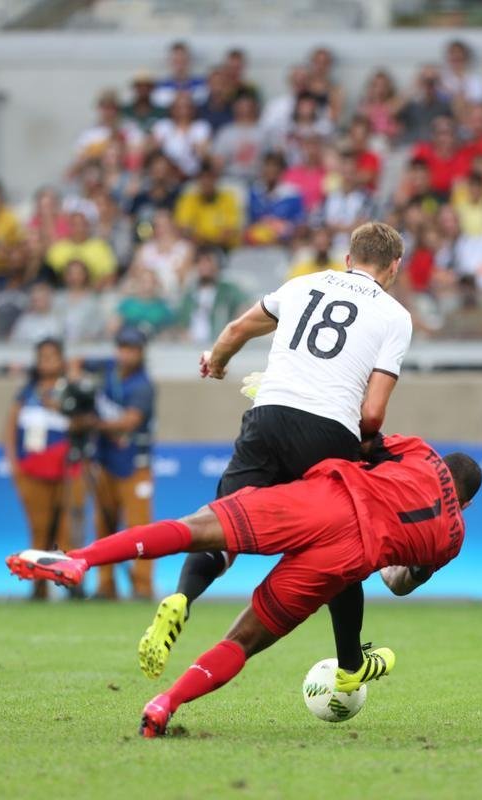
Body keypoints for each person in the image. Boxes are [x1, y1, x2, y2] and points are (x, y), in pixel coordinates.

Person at [5, 433, 482, 737]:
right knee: (245, 639)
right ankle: (164, 703)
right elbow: (399, 583)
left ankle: (79, 560)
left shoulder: (419, 451)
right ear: (466, 504)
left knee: (196, 529)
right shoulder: (453, 537)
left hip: (325, 500)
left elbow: (360, 438)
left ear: (443, 462)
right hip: (349, 556)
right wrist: (387, 543)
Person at [120, 222, 413, 685]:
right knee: (343, 546)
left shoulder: (303, 285)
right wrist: (363, 440)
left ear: (349, 258)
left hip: (268, 415)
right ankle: (350, 665)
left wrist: (216, 361)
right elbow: (373, 414)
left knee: (223, 523)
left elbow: (238, 328)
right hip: (330, 432)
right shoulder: (394, 316)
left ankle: (181, 598)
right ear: (394, 267)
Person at [70, 327, 158, 599]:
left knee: (139, 529)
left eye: (132, 349)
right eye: (122, 348)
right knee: (104, 527)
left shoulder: (143, 384)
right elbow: (75, 362)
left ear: (141, 352)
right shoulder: (107, 368)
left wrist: (92, 423)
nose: (125, 354)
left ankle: (142, 587)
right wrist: (75, 380)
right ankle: (105, 585)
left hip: (135, 463)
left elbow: (130, 421)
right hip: (106, 460)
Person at [3, 338, 81, 600]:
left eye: (53, 356)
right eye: (43, 356)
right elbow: (11, 430)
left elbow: (82, 424)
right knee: (39, 528)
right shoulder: (25, 393)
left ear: (62, 360)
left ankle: (71, 585)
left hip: (65, 469)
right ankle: (38, 587)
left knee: (65, 529)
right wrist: (15, 466)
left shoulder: (70, 390)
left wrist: (60, 406)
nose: (47, 361)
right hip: (32, 471)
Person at [173, 160, 243, 250]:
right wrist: (202, 239)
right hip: (196, 249)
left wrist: (206, 239)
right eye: (203, 178)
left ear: (216, 179)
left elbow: (231, 229)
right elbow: (183, 228)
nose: (206, 183)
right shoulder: (189, 200)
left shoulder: (228, 199)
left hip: (225, 249)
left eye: (210, 178)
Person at [45, 203, 118, 287]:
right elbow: (49, 275)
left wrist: (91, 290)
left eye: (83, 224)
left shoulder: (100, 246)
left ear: (88, 226)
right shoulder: (58, 248)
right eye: (75, 224)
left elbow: (111, 274)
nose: (79, 228)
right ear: (69, 226)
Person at [152, 41, 208, 109]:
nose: (180, 63)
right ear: (170, 61)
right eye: (176, 60)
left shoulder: (201, 83)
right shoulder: (162, 85)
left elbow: (203, 100)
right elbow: (159, 103)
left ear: (189, 60)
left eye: (183, 59)